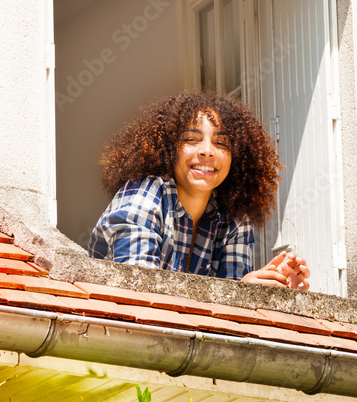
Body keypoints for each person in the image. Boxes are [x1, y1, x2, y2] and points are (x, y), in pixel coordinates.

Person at [88, 90, 310, 289]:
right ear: (168, 150)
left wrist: (267, 286)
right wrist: (238, 291)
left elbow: (230, 317)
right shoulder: (144, 194)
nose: (207, 151)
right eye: (192, 139)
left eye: (221, 143)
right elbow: (139, 292)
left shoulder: (235, 219)